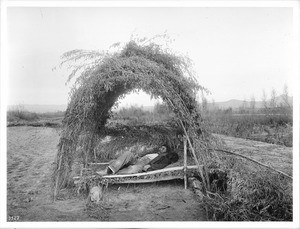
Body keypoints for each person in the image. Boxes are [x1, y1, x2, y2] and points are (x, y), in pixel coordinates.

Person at [96, 145, 168, 176]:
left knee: (133, 169)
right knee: (128, 153)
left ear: (167, 152)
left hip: (142, 165)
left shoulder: (163, 157)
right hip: (138, 160)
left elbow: (161, 165)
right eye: (161, 147)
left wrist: (149, 167)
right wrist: (138, 157)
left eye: (163, 148)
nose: (160, 149)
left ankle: (111, 171)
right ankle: (108, 170)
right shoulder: (154, 153)